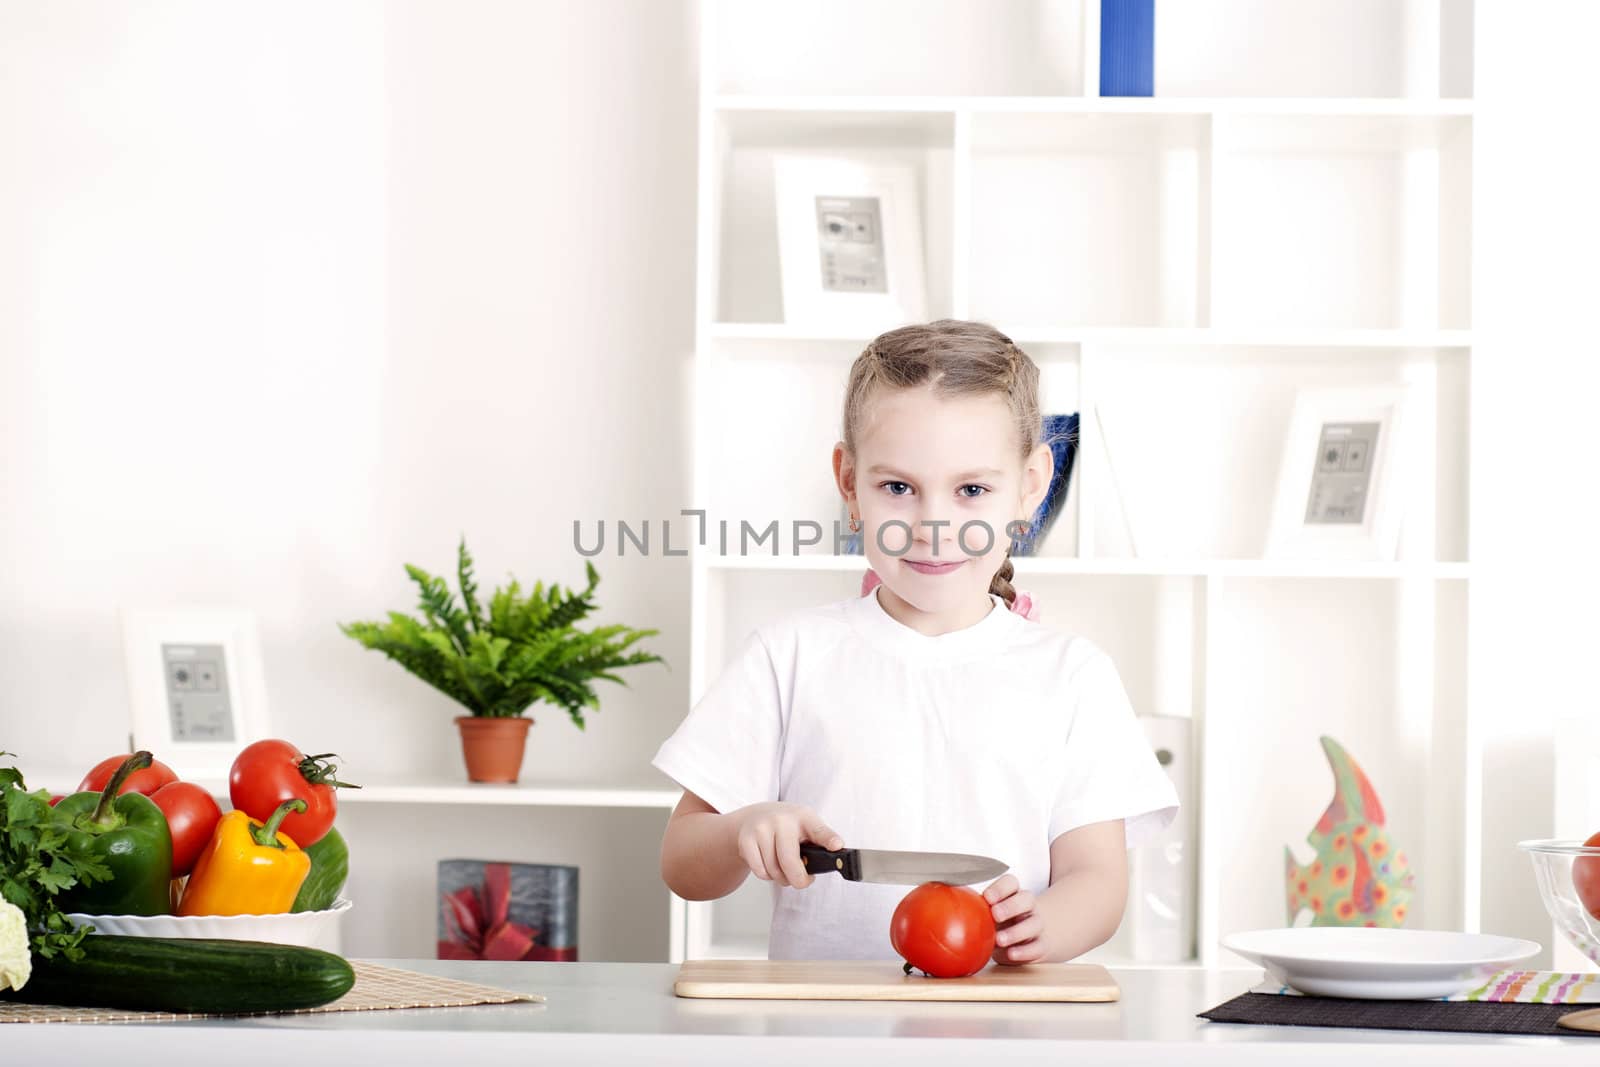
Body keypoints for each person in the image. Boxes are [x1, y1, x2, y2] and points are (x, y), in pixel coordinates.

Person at [654, 318, 1179, 963]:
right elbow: (683, 862)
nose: (933, 526)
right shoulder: (788, 657)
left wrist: (1043, 925)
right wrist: (742, 828)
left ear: (1031, 485)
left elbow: (1097, 883)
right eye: (898, 487)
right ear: (850, 483)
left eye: (972, 490)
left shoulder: (1073, 675)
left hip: (1006, 1033)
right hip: (821, 1030)